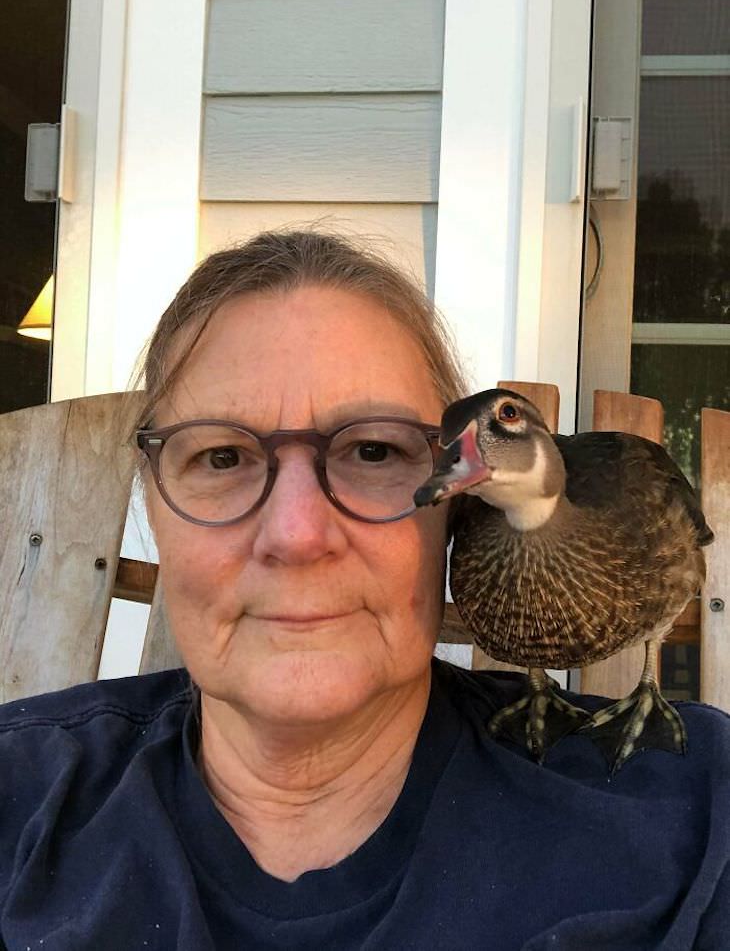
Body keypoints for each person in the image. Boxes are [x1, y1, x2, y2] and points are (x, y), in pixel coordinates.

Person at [1, 230, 728, 951]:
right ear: (152, 506)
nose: (296, 534)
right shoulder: (19, 800)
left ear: (454, 508)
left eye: (374, 451)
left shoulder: (700, 823)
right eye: (221, 457)